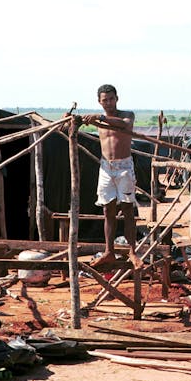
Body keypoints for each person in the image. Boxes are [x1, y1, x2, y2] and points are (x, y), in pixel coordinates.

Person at [78, 84, 144, 270]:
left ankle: (132, 251)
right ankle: (109, 251)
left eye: (111, 99)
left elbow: (123, 124)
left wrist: (99, 118)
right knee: (108, 210)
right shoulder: (97, 120)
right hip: (106, 167)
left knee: (127, 208)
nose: (108, 102)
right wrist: (71, 119)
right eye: (104, 100)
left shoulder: (126, 115)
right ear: (99, 101)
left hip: (124, 166)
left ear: (117, 98)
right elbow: (74, 124)